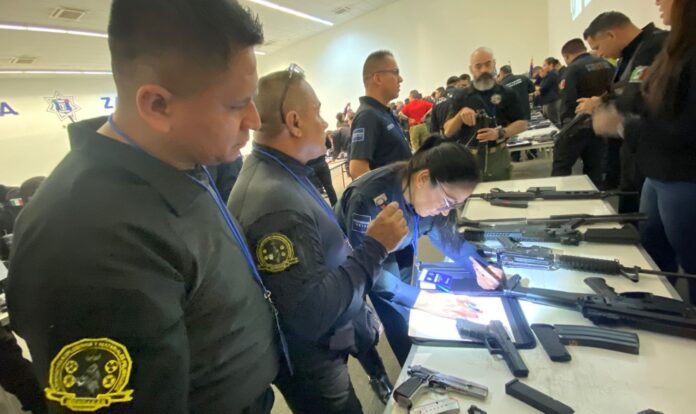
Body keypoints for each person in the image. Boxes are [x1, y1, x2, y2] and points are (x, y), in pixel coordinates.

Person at [6, 1, 281, 413]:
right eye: (235, 105)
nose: (255, 120)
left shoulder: (180, 156)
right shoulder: (90, 245)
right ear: (156, 106)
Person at [229, 67, 410, 413]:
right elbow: (311, 314)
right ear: (294, 122)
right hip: (314, 363)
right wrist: (375, 246)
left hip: (330, 341)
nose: (325, 123)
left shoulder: (281, 173)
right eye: (318, 111)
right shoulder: (276, 204)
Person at [334, 135, 504, 364]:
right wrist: (425, 301)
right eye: (447, 202)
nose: (446, 212)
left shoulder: (428, 195)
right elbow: (372, 272)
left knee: (410, 299)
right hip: (356, 251)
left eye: (455, 205)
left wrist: (479, 265)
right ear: (423, 178)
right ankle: (394, 370)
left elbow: (448, 238)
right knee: (388, 314)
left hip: (399, 240)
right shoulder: (369, 199)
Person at [593, 0, 696, 303]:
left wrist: (623, 125)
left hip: (683, 178)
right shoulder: (675, 48)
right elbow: (648, 96)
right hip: (658, 174)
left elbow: (683, 124)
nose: (658, 2)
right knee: (653, 258)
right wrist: (618, 109)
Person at [580, 11, 668, 208]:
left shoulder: (654, 46)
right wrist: (602, 100)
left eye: (597, 47)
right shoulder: (631, 53)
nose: (599, 54)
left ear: (610, 35)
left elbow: (639, 94)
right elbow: (625, 88)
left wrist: (603, 109)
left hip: (659, 153)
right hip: (638, 150)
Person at [444, 47, 529, 182]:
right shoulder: (461, 96)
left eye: (488, 64)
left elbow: (523, 124)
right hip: (469, 158)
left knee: (502, 193)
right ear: (471, 69)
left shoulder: (507, 93)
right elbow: (448, 131)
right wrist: (460, 115)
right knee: (470, 195)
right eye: (478, 66)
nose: (484, 69)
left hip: (498, 157)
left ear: (494, 64)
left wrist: (500, 133)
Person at [551, 38, 614, 187]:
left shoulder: (572, 70)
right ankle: (594, 198)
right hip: (602, 124)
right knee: (595, 168)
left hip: (576, 125)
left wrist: (565, 129)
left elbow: (568, 101)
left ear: (567, 56)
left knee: (561, 168)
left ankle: (558, 197)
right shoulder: (608, 65)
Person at [349, 51, 411, 179]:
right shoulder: (367, 116)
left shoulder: (383, 112)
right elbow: (357, 170)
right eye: (395, 72)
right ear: (378, 78)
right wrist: (390, 193)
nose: (400, 79)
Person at [536, 57, 562, 125]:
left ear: (551, 65)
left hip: (552, 101)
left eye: (544, 65)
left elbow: (543, 87)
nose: (543, 67)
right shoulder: (549, 74)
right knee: (550, 121)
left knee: (554, 122)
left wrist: (538, 89)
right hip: (548, 101)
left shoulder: (552, 74)